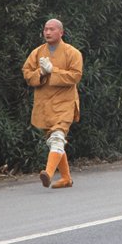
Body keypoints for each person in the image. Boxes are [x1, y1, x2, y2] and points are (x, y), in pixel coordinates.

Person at [22, 19, 83, 188]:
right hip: (45, 104)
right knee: (53, 139)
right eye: (45, 29)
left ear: (61, 33)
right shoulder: (37, 53)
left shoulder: (73, 53)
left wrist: (53, 71)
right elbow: (27, 73)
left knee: (57, 138)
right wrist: (40, 73)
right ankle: (66, 178)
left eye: (52, 29)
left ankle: (48, 173)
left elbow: (75, 76)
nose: (47, 32)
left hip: (65, 102)